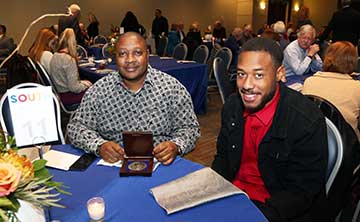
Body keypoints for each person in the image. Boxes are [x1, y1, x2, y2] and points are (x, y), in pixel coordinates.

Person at [211, 37, 328, 221]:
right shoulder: (233, 106)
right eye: (241, 74)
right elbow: (223, 158)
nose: (247, 85)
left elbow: (302, 192)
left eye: (258, 75)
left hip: (276, 210)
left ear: (280, 73)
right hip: (233, 197)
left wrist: (253, 216)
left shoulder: (306, 120)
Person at [67, 32, 200, 165]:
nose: (130, 60)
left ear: (147, 55)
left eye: (137, 53)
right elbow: (76, 127)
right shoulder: (99, 90)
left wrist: (175, 145)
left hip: (160, 166)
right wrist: (99, 146)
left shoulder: (172, 88)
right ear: (115, 57)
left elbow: (190, 128)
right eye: (123, 54)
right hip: (112, 166)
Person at [302, 41, 360, 139]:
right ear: (353, 61)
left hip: (313, 140)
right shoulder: (356, 88)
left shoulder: (309, 82)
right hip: (347, 144)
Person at [49, 28, 92, 107]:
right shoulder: (69, 60)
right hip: (69, 97)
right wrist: (86, 85)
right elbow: (74, 88)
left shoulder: (55, 55)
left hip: (60, 94)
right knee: (97, 91)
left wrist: (82, 82)